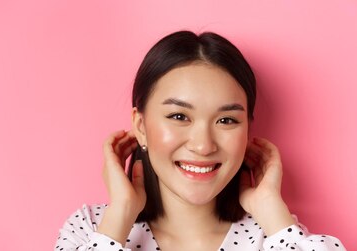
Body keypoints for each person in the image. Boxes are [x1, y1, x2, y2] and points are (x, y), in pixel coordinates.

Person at [54, 31, 345, 251]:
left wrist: (272, 212)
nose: (204, 145)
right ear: (140, 126)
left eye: (226, 120)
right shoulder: (92, 228)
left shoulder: (277, 234)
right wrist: (120, 217)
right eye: (179, 116)